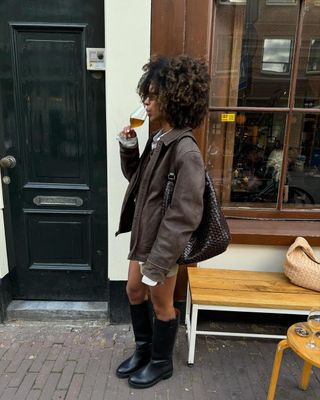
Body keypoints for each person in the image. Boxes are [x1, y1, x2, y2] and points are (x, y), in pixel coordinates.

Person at [115, 55, 209, 388]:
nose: (146, 101)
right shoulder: (159, 140)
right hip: (143, 237)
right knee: (133, 290)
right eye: (147, 93)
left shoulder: (185, 151)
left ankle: (160, 362)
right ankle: (143, 351)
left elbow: (185, 215)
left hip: (162, 246)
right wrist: (130, 147)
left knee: (161, 302)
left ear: (175, 98)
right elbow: (137, 182)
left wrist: (157, 262)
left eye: (153, 95)